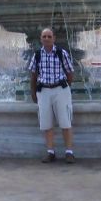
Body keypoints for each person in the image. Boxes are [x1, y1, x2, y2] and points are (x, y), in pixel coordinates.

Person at [28, 28, 75, 164]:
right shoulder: (37, 55)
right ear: (41, 39)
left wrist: (65, 88)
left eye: (49, 36)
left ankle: (69, 152)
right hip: (43, 91)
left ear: (54, 38)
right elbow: (33, 76)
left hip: (60, 89)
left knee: (66, 121)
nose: (47, 38)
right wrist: (33, 92)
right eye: (44, 36)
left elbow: (70, 72)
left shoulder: (62, 53)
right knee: (46, 123)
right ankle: (50, 152)